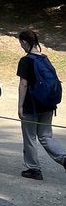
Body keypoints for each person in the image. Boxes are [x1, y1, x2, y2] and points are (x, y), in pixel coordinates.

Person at [16, 29, 66, 181]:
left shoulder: (26, 61)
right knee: (45, 136)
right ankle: (64, 158)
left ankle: (33, 169)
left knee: (30, 136)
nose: (21, 46)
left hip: (31, 105)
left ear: (25, 42)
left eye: (21, 43)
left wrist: (20, 106)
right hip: (48, 104)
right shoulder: (44, 58)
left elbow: (23, 84)